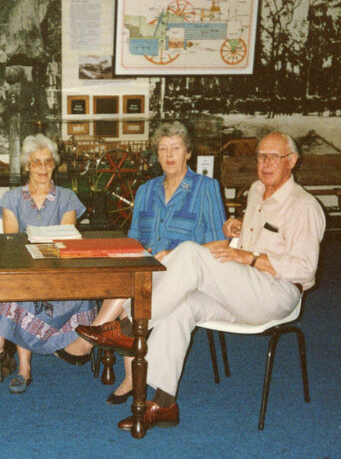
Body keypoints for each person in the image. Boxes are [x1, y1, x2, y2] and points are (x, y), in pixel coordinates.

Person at [77, 131, 326, 432]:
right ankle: (163, 402)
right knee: (180, 306)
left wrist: (250, 257)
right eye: (261, 156)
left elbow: (304, 270)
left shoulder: (305, 206)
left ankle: (128, 327)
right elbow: (251, 241)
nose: (266, 163)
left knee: (190, 253)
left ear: (292, 161)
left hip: (277, 293)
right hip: (244, 289)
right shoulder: (257, 190)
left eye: (275, 157)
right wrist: (237, 230)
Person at [65, 120, 226, 404]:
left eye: (175, 148)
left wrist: (174, 256)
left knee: (133, 290)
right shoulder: (145, 191)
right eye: (163, 149)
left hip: (187, 276)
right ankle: (128, 373)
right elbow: (135, 240)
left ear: (188, 152)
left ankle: (92, 340)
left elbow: (219, 244)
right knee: (130, 281)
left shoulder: (206, 188)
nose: (169, 155)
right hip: (147, 268)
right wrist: (143, 253)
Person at [0, 134, 96, 393]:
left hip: (60, 275)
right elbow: (12, 242)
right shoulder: (12, 198)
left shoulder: (67, 197)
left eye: (47, 162)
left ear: (54, 165)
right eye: (35, 162)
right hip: (26, 268)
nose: (41, 167)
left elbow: (67, 240)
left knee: (20, 289)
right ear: (26, 166)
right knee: (20, 283)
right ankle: (22, 368)